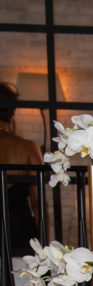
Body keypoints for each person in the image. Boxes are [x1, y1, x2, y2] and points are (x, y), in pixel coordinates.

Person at [0, 81, 42, 256]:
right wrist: (44, 245)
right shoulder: (27, 148)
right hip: (19, 231)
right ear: (13, 111)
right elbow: (38, 202)